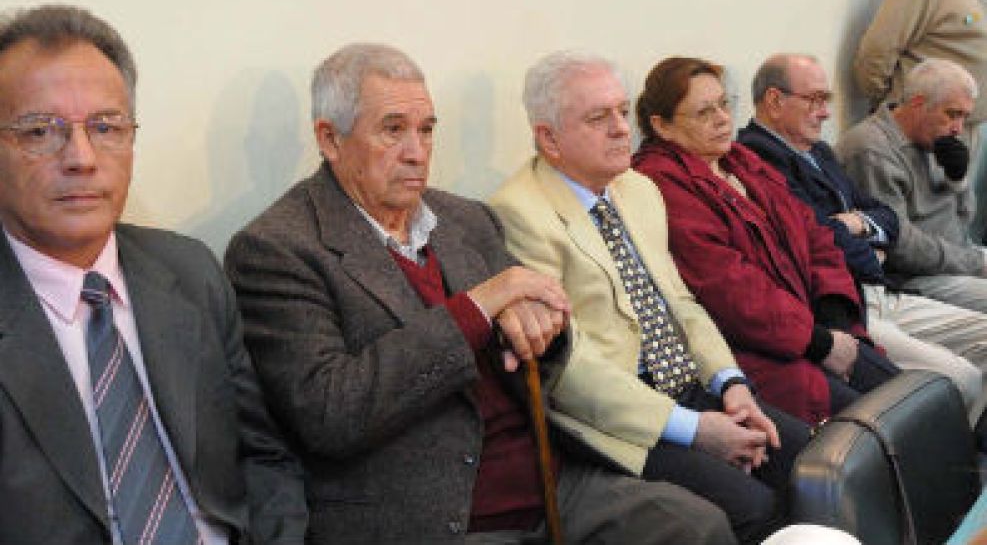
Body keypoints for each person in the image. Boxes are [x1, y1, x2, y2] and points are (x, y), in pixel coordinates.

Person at [224, 42, 734, 544]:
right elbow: (331, 412)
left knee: (699, 525)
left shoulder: (465, 219)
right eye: (392, 130)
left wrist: (541, 330)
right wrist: (475, 309)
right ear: (329, 139)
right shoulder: (277, 249)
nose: (416, 152)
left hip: (551, 477)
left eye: (426, 130)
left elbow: (549, 344)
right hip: (433, 510)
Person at [0, 4, 307, 544]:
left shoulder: (189, 270)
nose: (82, 157)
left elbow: (264, 458)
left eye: (106, 127)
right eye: (40, 131)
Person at [488, 50, 810, 545]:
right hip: (617, 419)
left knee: (807, 458)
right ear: (548, 138)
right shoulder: (518, 213)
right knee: (752, 506)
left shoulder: (637, 189)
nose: (622, 129)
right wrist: (696, 429)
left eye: (621, 111)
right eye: (599, 118)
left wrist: (731, 385)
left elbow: (681, 303)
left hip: (686, 384)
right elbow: (569, 368)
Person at [631, 56, 899, 428]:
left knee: (911, 402)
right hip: (760, 354)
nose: (723, 118)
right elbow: (730, 288)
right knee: (874, 430)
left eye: (724, 104)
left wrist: (835, 319)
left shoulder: (740, 160)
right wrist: (819, 342)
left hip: (818, 327)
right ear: (662, 126)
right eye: (704, 112)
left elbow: (816, 235)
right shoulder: (659, 183)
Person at [738, 53, 987, 416]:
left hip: (878, 289)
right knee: (960, 378)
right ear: (775, 101)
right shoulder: (758, 160)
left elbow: (887, 219)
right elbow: (822, 240)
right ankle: (937, 466)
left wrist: (861, 225)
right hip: (851, 303)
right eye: (815, 100)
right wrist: (870, 245)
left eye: (827, 100)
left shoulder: (818, 151)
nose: (825, 113)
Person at [835, 58, 987, 317]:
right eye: (952, 114)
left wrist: (957, 179)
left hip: (956, 259)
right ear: (918, 104)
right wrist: (975, 263)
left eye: (964, 117)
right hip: (913, 279)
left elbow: (963, 223)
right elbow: (901, 249)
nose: (958, 129)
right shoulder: (872, 150)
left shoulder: (933, 138)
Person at [854, 0, 987, 242]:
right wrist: (896, 105)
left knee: (957, 225)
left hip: (962, 131)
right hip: (919, 130)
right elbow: (876, 52)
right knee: (920, 235)